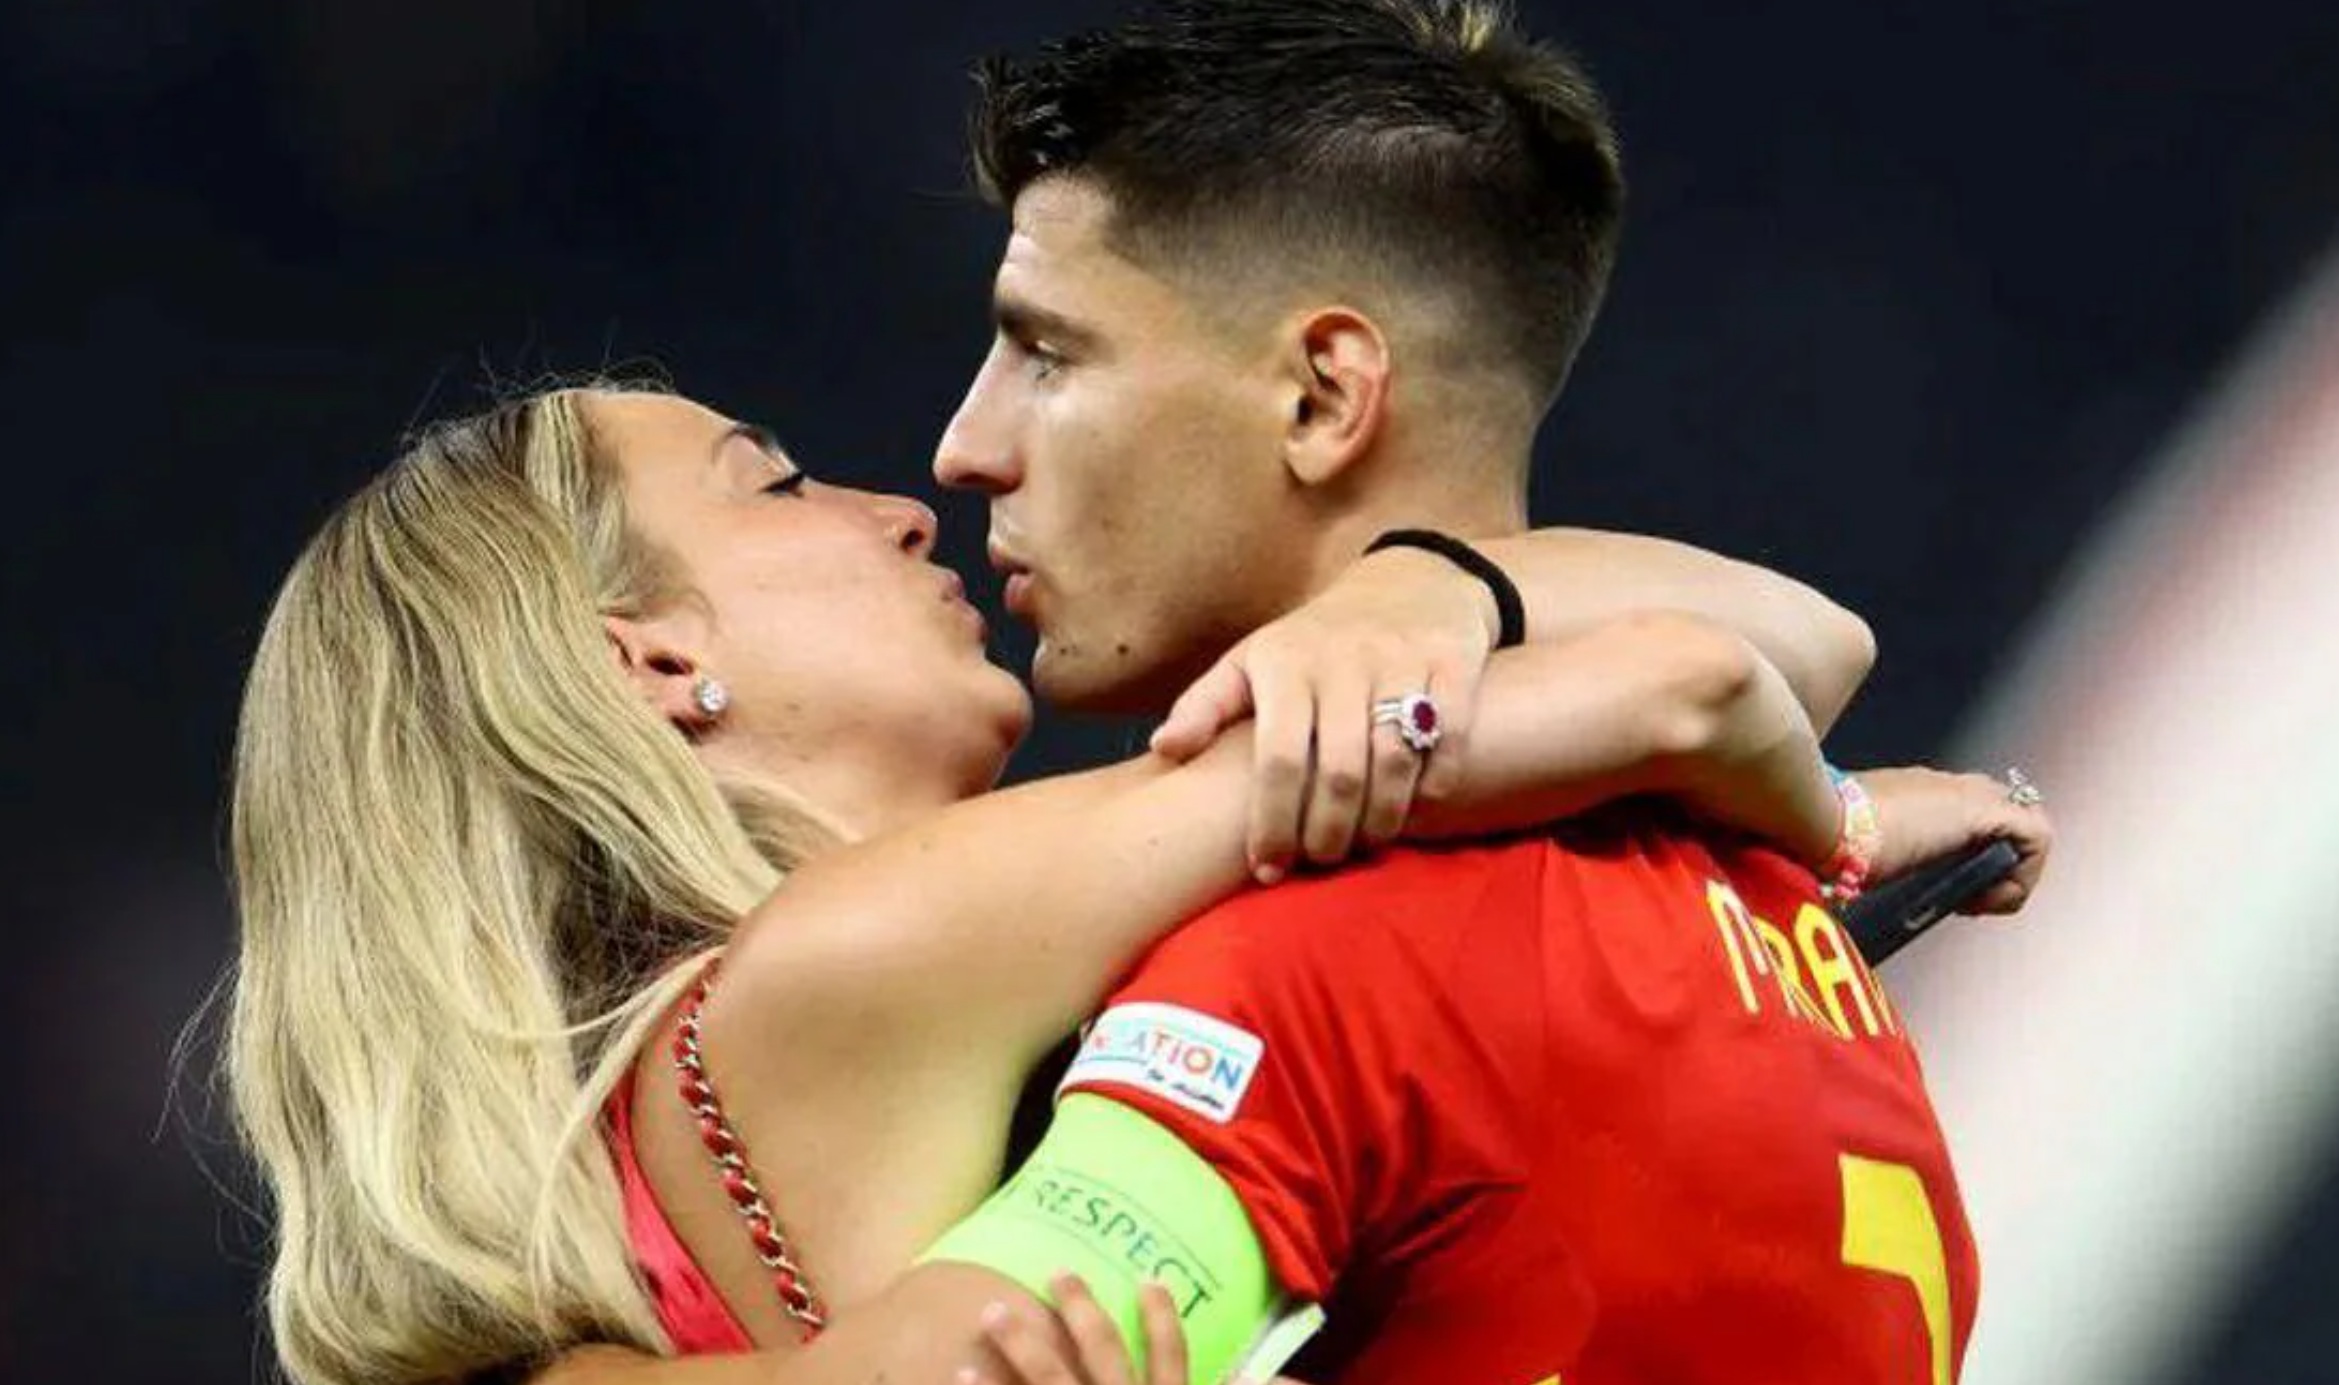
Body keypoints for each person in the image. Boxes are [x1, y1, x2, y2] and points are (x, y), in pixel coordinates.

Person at [517, 1, 2048, 1383]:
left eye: (1047, 353)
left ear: (1322, 395)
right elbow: (1730, 666)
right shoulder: (1781, 938)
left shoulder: (1298, 956)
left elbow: (1709, 674)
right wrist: (1805, 806)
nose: (957, 457)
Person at [226, 376, 1958, 1385]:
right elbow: (1704, 676)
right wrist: (1420, 604)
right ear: (657, 661)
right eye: (780, 484)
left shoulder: (708, 1108)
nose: (902, 507)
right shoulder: (853, 953)